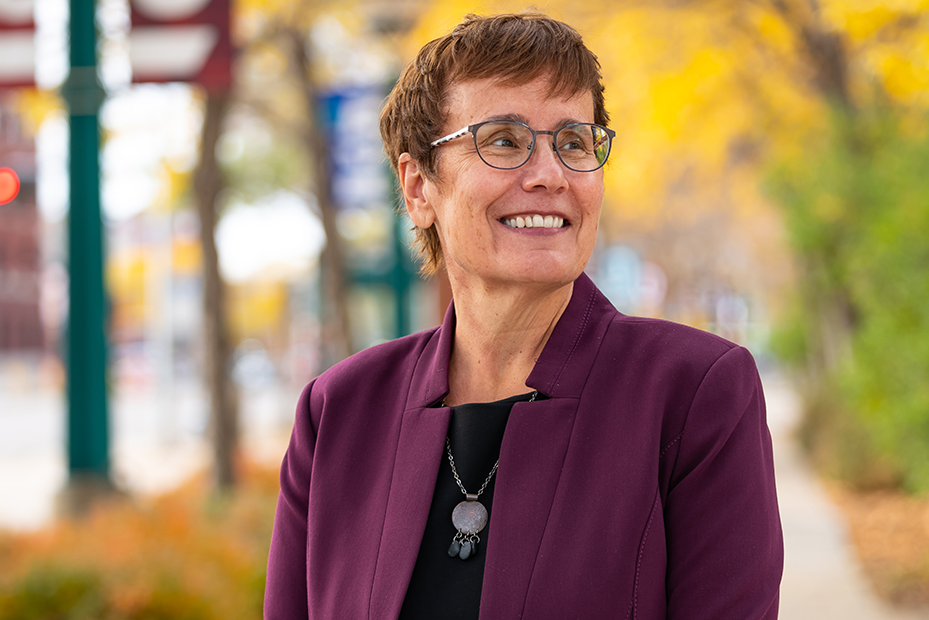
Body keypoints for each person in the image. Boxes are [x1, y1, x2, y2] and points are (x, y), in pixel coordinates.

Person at [263, 12, 782, 619]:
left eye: (573, 142)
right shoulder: (338, 411)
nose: (549, 175)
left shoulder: (694, 394)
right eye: (504, 140)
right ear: (417, 187)